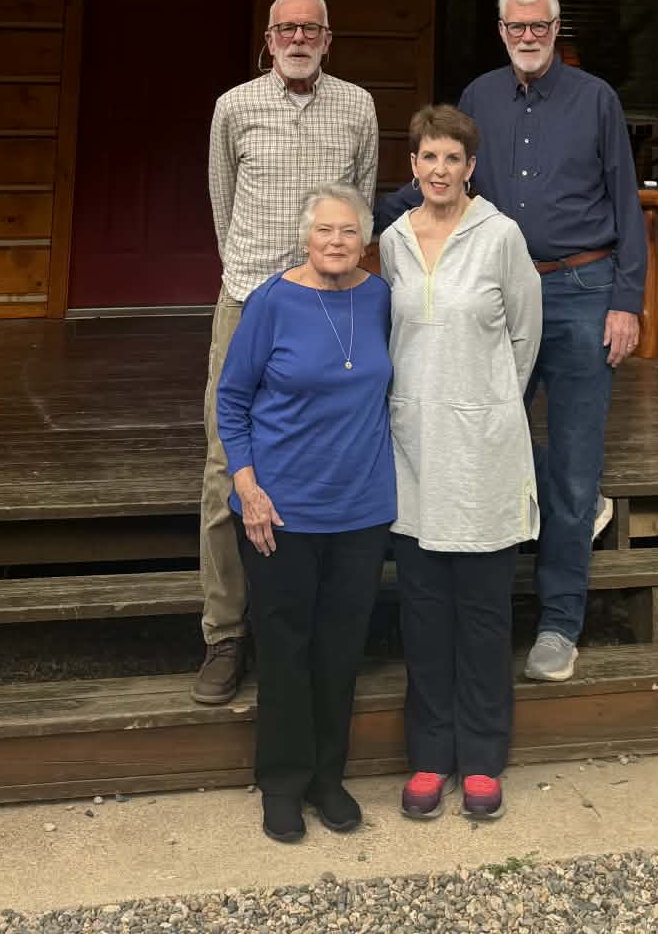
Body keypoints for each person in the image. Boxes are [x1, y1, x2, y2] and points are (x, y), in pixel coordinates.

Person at [459, 0, 646, 684]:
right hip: (500, 291)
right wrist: (366, 221)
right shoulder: (478, 98)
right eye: (517, 26)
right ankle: (482, 612)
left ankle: (560, 623)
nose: (528, 37)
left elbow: (626, 200)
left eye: (540, 26)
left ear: (557, 29)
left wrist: (626, 301)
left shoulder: (596, 99)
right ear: (501, 30)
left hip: (582, 290)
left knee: (573, 465)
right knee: (486, 444)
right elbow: (447, 185)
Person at [197, 0, 380, 704]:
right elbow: (222, 203)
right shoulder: (234, 107)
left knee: (322, 452)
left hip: (330, 304)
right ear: (268, 39)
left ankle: (310, 624)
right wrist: (254, 279)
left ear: (328, 39)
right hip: (249, 298)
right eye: (286, 29)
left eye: (311, 28)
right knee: (226, 464)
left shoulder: (357, 106)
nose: (298, 38)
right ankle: (224, 633)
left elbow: (360, 209)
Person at [216, 185, 395, 843]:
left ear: (365, 241)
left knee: (341, 649)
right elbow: (232, 401)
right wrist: (248, 488)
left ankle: (327, 778)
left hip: (361, 508)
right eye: (325, 230)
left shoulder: (380, 299)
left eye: (349, 231)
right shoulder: (271, 302)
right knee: (286, 649)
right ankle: (282, 783)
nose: (336, 242)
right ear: (305, 237)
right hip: (281, 510)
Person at [381, 103, 541, 823]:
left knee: (481, 615)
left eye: (452, 158)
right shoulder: (392, 242)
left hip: (482, 452)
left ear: (471, 167)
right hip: (414, 448)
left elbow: (524, 338)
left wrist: (485, 405)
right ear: (412, 165)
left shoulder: (500, 236)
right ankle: (429, 754)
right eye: (429, 157)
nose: (439, 170)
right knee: (423, 614)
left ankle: (480, 757)